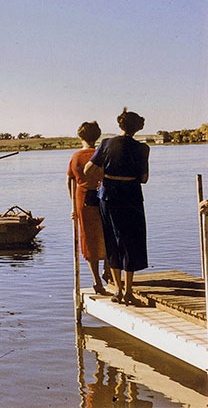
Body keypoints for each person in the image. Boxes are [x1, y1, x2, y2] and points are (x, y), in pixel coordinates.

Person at [85, 108, 150, 306]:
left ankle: (118, 291)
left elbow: (88, 169)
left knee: (112, 239)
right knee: (131, 240)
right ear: (137, 127)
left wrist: (104, 173)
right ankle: (129, 290)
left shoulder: (106, 143)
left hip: (109, 196)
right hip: (131, 195)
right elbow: (144, 179)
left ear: (120, 125)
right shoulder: (143, 148)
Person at [67, 122, 108, 295]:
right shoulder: (102, 153)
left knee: (88, 238)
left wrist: (72, 205)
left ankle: (96, 279)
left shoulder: (76, 156)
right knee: (106, 234)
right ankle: (108, 270)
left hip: (82, 198)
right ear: (97, 136)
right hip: (103, 196)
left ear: (80, 136)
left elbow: (70, 180)